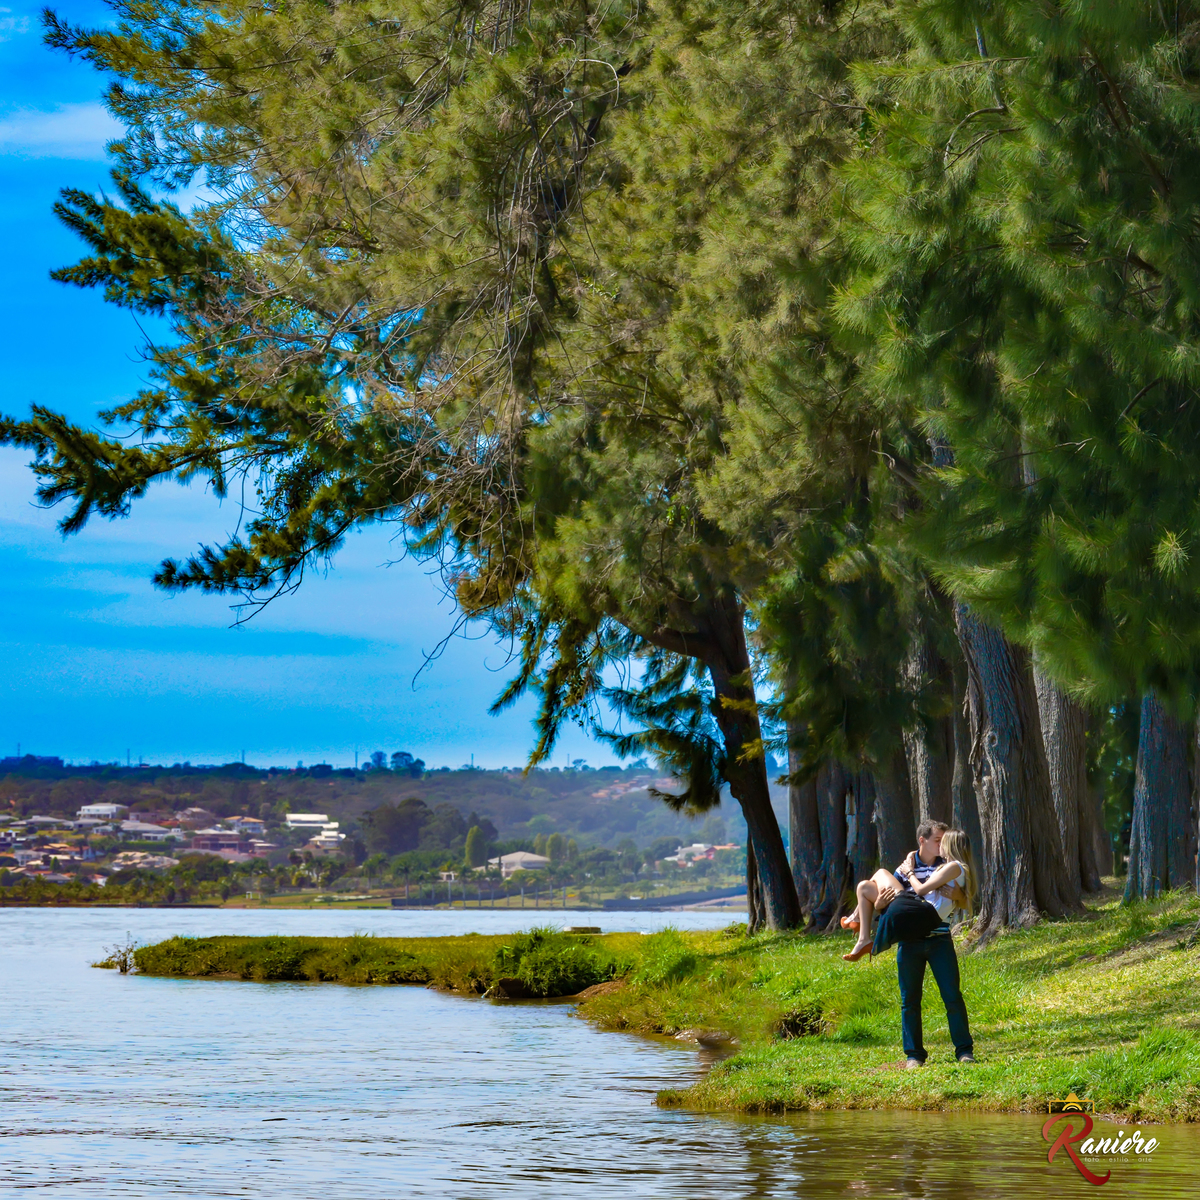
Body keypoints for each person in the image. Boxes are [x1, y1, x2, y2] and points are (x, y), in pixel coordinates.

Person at [842, 822, 977, 1067]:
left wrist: (959, 896)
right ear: (922, 840)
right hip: (910, 939)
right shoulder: (905, 869)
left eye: (943, 841)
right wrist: (881, 903)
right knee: (909, 1000)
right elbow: (893, 908)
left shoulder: (946, 865)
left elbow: (964, 898)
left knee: (952, 997)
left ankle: (964, 1051)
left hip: (938, 939)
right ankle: (914, 1056)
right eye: (937, 840)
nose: (940, 844)